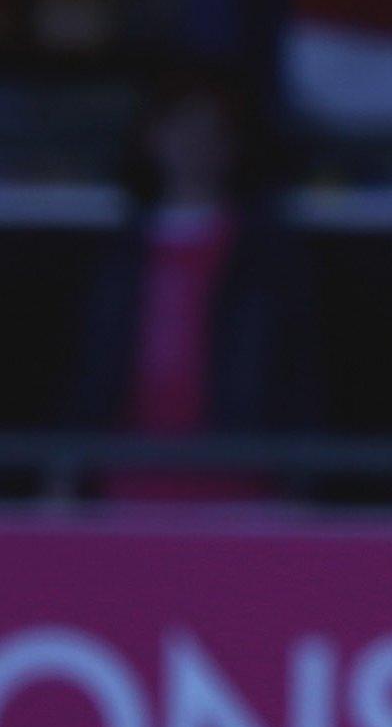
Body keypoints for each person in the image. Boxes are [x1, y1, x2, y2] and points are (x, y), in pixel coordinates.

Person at [68, 66, 321, 500]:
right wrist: (66, 464)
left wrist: (301, 480)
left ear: (231, 146)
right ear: (153, 138)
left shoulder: (264, 254)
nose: (193, 146)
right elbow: (92, 365)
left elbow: (297, 371)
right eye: (180, 129)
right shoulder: (121, 252)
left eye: (209, 132)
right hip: (130, 476)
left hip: (240, 480)